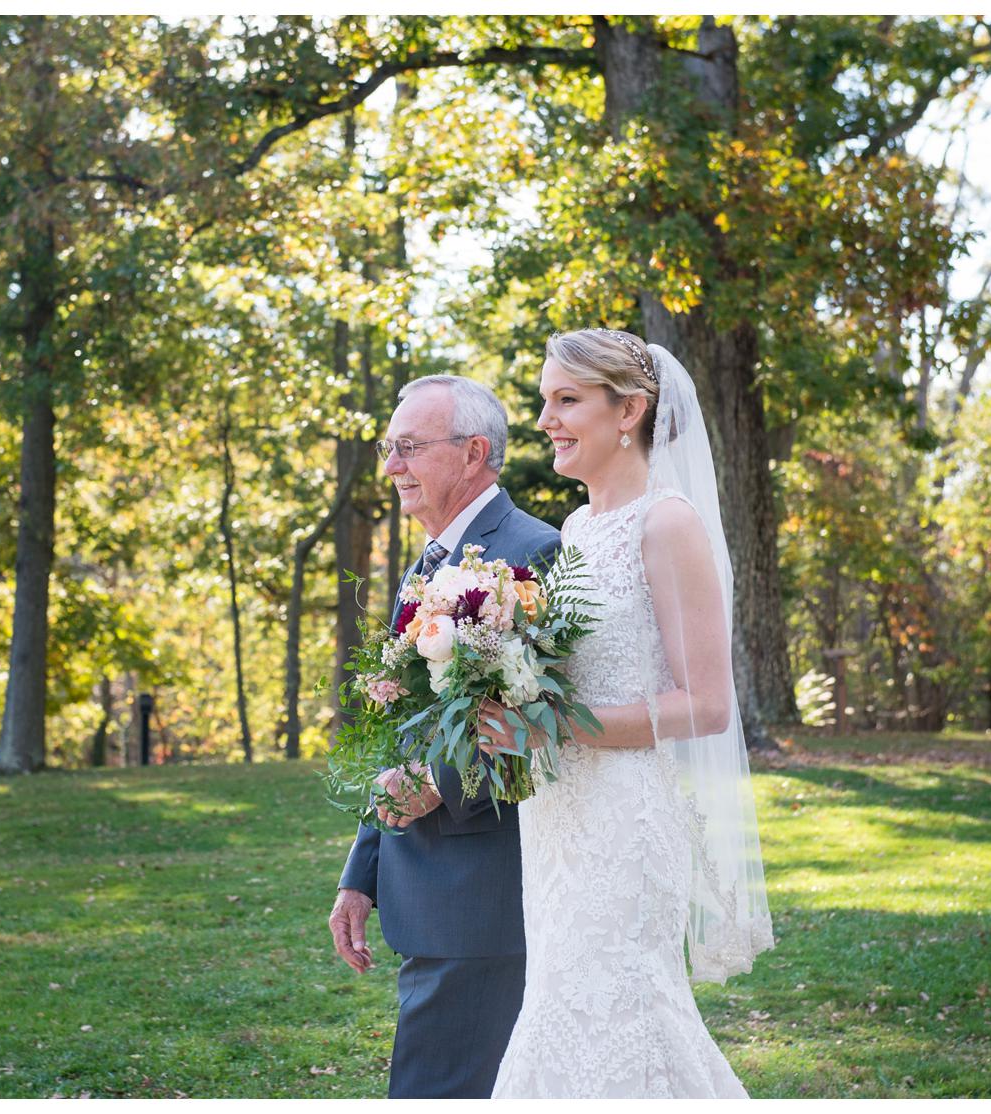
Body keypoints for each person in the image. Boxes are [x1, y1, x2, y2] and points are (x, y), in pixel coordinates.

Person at [484, 328, 774, 1097]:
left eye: (566, 400)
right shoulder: (577, 529)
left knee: (621, 1012)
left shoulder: (668, 523)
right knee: (561, 1007)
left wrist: (549, 722)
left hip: (625, 823)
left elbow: (706, 705)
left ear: (630, 411)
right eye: (546, 399)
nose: (546, 418)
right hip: (556, 814)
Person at [328, 375, 561, 1099]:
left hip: (484, 889)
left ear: (473, 454)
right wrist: (360, 874)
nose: (391, 465)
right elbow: (404, 735)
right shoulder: (424, 566)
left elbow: (545, 727)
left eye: (407, 448)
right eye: (387, 448)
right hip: (422, 885)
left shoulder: (536, 555)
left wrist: (438, 787)